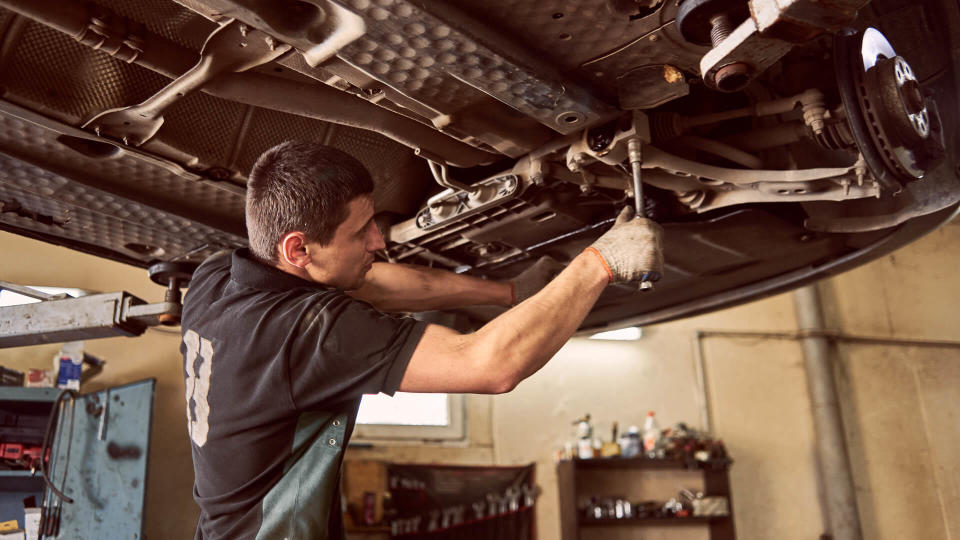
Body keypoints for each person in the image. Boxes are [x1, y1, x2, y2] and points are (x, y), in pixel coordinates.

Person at [180, 141, 663, 539]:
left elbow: (373, 284)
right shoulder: (306, 336)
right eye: (359, 232)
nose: (378, 241)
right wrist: (600, 262)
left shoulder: (216, 277)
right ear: (297, 248)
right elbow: (490, 365)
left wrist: (509, 292)